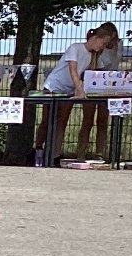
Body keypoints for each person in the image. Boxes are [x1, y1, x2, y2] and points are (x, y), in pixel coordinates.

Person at [42, 21, 120, 162]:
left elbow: (85, 75)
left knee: (62, 122)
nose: (103, 47)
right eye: (103, 43)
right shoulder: (75, 48)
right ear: (95, 38)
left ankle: (55, 154)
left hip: (68, 90)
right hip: (54, 87)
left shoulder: (91, 56)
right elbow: (73, 70)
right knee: (47, 121)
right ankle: (39, 149)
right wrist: (80, 90)